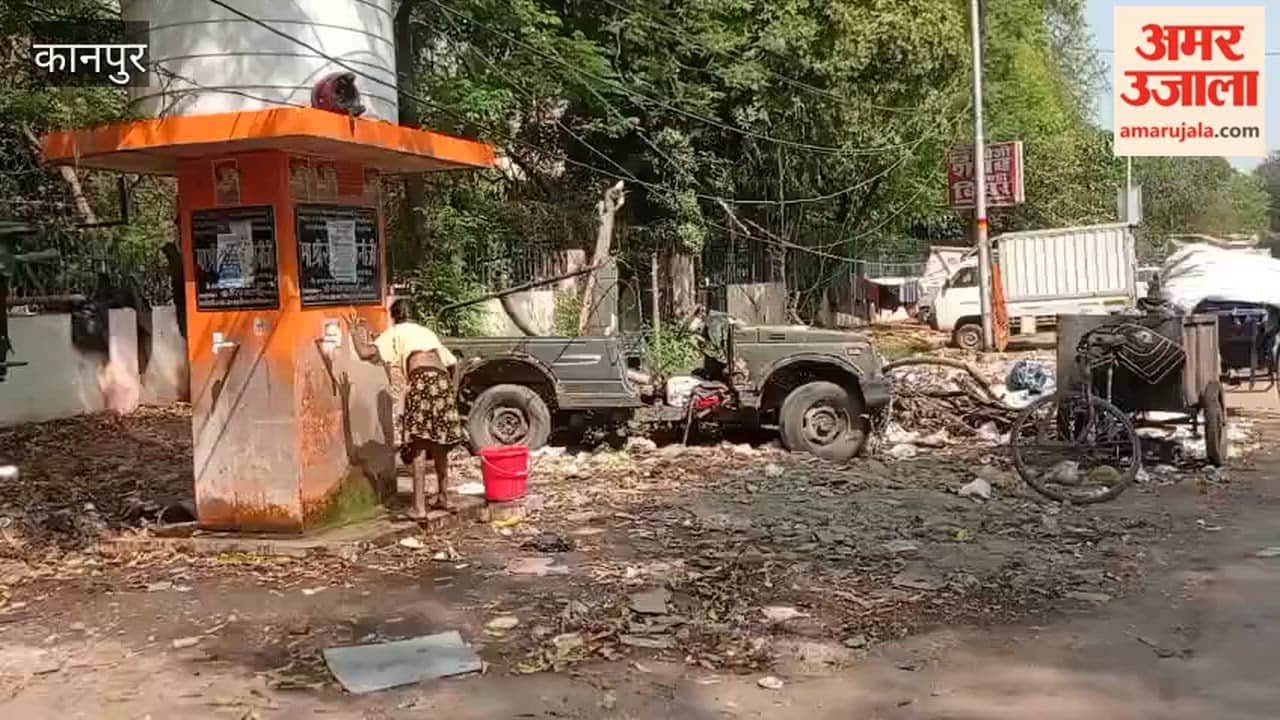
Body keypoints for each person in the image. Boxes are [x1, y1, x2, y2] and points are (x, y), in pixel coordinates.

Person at [349, 299, 464, 519]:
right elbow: (452, 364)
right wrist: (452, 391)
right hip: (442, 382)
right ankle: (443, 497)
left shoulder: (395, 331)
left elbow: (365, 353)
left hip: (421, 380)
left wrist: (355, 331)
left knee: (418, 445)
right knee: (440, 443)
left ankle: (418, 507)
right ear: (413, 314)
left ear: (394, 316)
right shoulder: (426, 332)